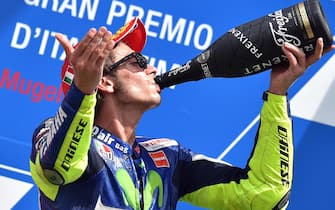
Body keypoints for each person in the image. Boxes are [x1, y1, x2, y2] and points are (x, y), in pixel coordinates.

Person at [29, 16, 334, 210]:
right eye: (137, 61)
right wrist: (81, 90)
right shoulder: (52, 138)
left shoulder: (168, 157)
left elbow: (266, 196)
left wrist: (278, 93)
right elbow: (58, 163)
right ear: (104, 81)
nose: (152, 68)